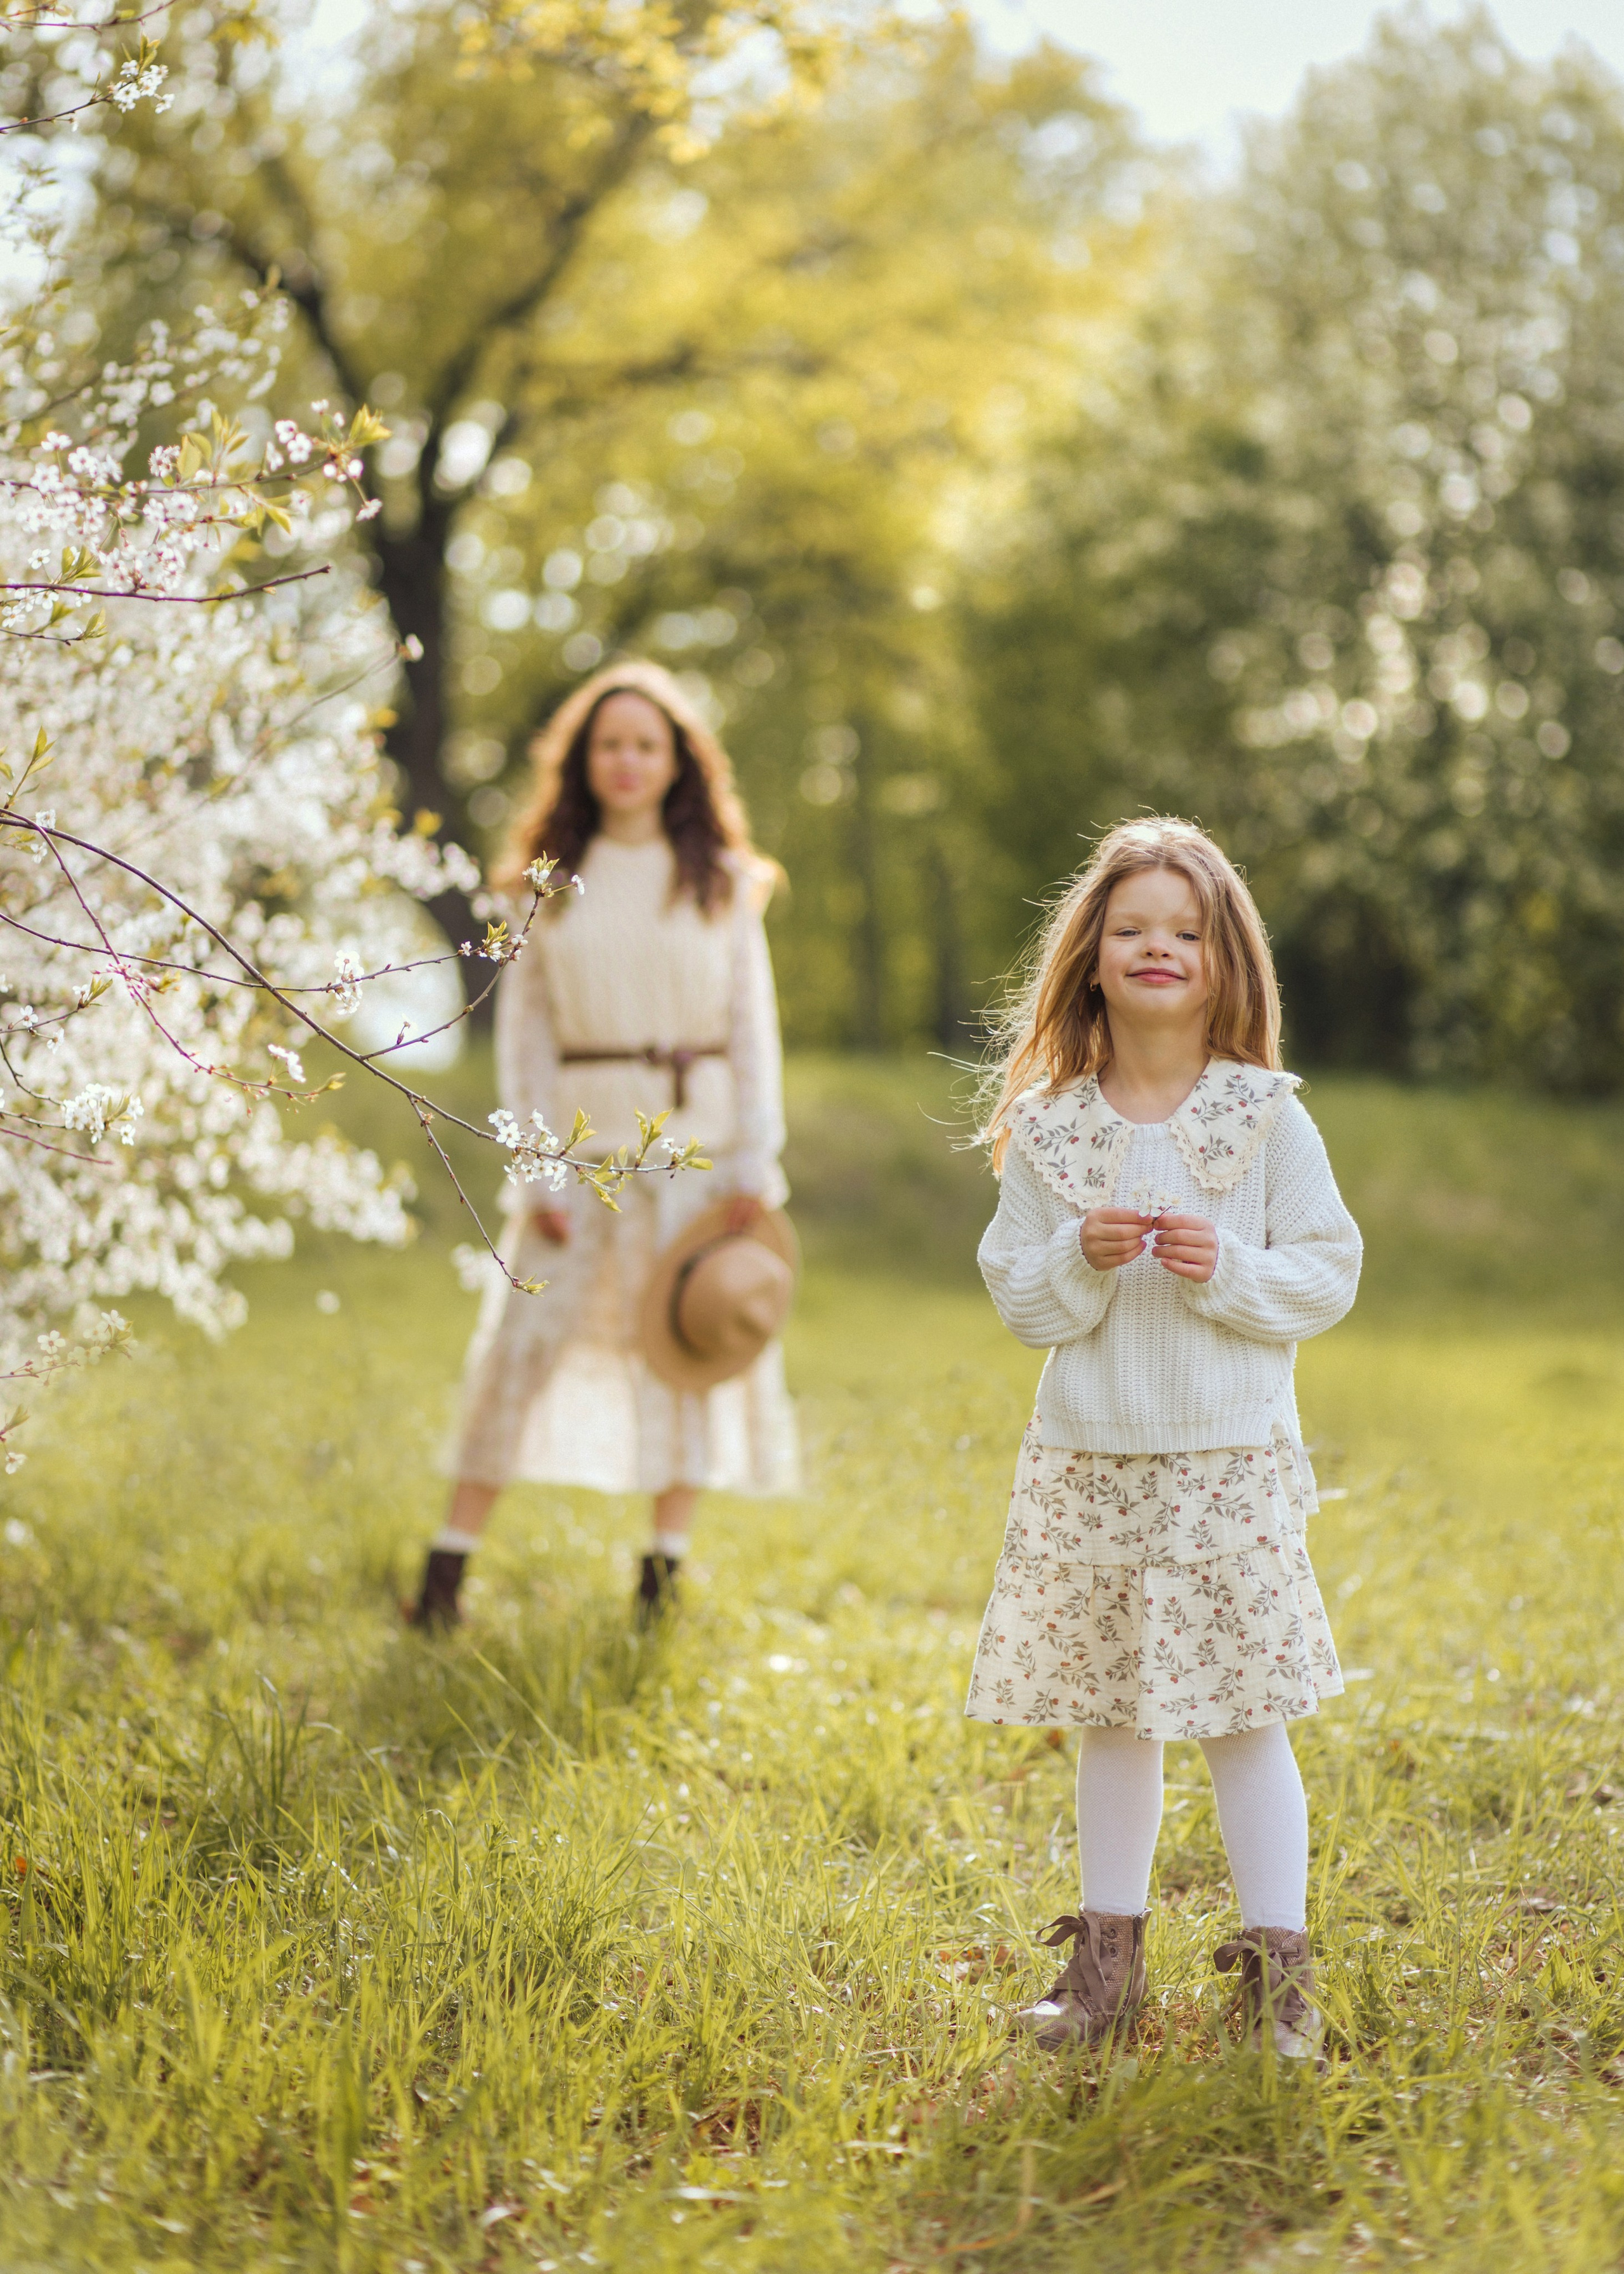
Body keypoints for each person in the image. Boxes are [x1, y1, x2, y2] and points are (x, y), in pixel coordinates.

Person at [967, 817, 1361, 2060]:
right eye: (1130, 928)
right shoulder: (1052, 1131)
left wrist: (1230, 1267)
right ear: (1090, 956)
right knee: (1111, 1717)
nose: (1155, 947)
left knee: (1245, 1715)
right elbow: (1014, 1295)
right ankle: (1103, 1973)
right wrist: (1071, 1259)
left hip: (1225, 1459)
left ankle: (1276, 1981)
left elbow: (1327, 1270)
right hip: (1092, 1459)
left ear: (1220, 959)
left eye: (1182, 931)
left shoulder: (1262, 1121)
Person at [410, 660, 799, 1631]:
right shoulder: (543, 887)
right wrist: (535, 1161)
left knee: (686, 1350)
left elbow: (753, 1030)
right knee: (521, 1351)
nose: (627, 761)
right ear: (583, 760)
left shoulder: (722, 882)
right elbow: (528, 1040)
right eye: (609, 744)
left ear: (678, 763)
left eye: (646, 744)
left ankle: (663, 1575)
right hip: (579, 1160)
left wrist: (756, 1160)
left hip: (695, 1158)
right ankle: (447, 1574)